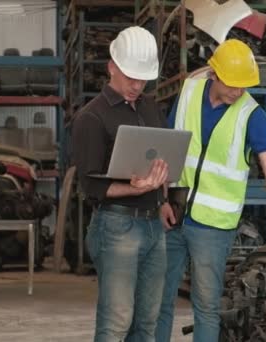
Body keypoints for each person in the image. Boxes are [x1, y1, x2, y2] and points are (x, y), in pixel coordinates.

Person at [155, 39, 266, 342]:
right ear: (214, 75)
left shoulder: (251, 115)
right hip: (174, 215)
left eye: (244, 86)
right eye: (232, 84)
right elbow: (168, 148)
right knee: (159, 301)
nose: (238, 92)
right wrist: (162, 199)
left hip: (214, 227)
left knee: (205, 308)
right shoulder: (189, 92)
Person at [72, 26, 169, 342]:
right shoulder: (92, 117)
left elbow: (161, 155)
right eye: (131, 77)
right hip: (116, 227)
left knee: (146, 324)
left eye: (143, 79)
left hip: (154, 225)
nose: (137, 85)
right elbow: (90, 186)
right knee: (116, 324)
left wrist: (162, 195)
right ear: (111, 66)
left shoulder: (150, 106)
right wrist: (135, 189)